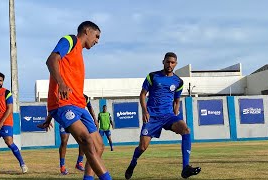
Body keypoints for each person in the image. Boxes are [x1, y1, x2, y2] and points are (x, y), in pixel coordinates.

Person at [46, 21, 111, 180]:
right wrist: (61, 83)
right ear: (87, 30)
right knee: (86, 140)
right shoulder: (69, 40)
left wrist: (49, 116)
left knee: (99, 146)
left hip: (79, 105)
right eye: (96, 36)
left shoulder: (79, 54)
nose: (97, 41)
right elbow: (51, 60)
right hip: (65, 104)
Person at [124, 52, 201, 179]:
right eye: (167, 62)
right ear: (163, 62)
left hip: (168, 116)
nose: (170, 64)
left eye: (172, 62)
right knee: (142, 147)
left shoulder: (178, 81)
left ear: (176, 64)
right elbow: (143, 94)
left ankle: (185, 168)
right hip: (152, 117)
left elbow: (177, 99)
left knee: (186, 130)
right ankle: (133, 163)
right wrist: (145, 111)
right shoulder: (153, 76)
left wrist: (176, 110)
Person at [38, 94, 99, 175]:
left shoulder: (83, 97)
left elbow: (90, 108)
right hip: (66, 119)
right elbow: (54, 108)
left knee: (84, 140)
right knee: (64, 141)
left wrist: (95, 120)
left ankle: (79, 163)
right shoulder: (66, 95)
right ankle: (62, 166)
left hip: (78, 122)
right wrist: (48, 121)